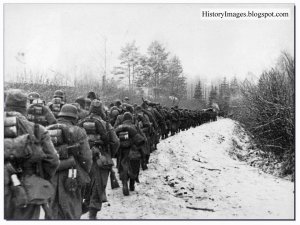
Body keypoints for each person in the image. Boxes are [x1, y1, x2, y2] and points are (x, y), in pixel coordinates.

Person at [4, 89, 59, 220]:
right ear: (25, 107)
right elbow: (53, 160)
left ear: (6, 104)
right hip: (27, 186)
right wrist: (39, 177)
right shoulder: (37, 129)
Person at [47, 104, 92, 219]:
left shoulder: (48, 129)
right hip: (71, 175)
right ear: (74, 117)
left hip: (51, 174)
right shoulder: (78, 131)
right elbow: (86, 157)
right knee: (71, 208)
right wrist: (84, 172)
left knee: (52, 207)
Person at [78, 99, 120, 219]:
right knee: (98, 187)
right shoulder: (106, 124)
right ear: (102, 110)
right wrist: (109, 154)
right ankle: (92, 216)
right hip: (100, 159)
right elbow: (115, 142)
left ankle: (80, 211)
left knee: (85, 186)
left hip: (84, 160)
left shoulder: (81, 122)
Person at [115, 112, 145, 196]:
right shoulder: (135, 126)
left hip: (122, 151)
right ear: (131, 119)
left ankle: (124, 183)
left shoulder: (119, 127)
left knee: (122, 166)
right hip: (134, 151)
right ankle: (132, 184)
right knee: (134, 166)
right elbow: (142, 138)